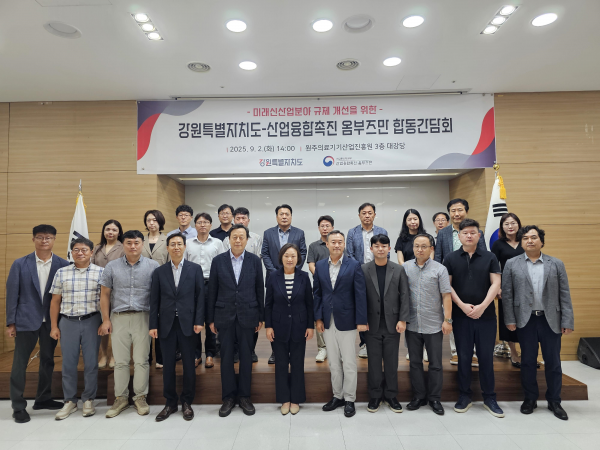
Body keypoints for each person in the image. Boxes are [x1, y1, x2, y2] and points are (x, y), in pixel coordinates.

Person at [502, 225, 574, 421]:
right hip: (525, 320)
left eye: (534, 237)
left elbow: (564, 294)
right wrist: (510, 319)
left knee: (553, 362)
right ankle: (530, 399)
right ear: (521, 242)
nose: (530, 241)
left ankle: (554, 401)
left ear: (541, 241)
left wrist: (567, 320)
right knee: (527, 362)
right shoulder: (512, 264)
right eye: (525, 238)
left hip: (551, 320)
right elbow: (507, 295)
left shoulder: (556, 263)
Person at [5, 224, 69, 423]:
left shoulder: (63, 264)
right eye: (40, 237)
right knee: (20, 363)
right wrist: (11, 323)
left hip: (51, 322)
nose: (44, 241)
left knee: (48, 360)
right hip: (25, 320)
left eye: (48, 237)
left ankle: (43, 398)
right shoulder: (20, 264)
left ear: (54, 240)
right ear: (33, 239)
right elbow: (12, 294)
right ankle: (18, 406)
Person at [443, 219, 504, 418]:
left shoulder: (490, 257)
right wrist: (462, 305)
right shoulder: (450, 258)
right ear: (459, 236)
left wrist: (482, 306)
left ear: (479, 235)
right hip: (461, 317)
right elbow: (447, 286)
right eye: (465, 233)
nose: (469, 236)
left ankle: (490, 397)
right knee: (464, 357)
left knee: (486, 357)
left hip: (486, 316)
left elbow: (496, 283)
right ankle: (464, 396)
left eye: (473, 232)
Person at [99, 230, 160, 418]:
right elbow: (105, 294)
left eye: (136, 242)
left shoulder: (153, 266)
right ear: (123, 244)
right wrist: (106, 319)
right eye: (129, 243)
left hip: (143, 317)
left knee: (141, 360)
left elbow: (157, 295)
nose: (133, 246)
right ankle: (121, 398)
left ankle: (140, 397)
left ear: (142, 244)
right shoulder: (112, 266)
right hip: (119, 318)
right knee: (121, 362)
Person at [207, 224, 265, 417]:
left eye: (241, 237)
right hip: (224, 315)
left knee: (247, 357)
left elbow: (259, 289)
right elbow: (212, 291)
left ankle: (245, 396)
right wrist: (211, 319)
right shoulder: (218, 261)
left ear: (247, 240)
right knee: (226, 358)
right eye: (234, 237)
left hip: (248, 315)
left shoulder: (255, 261)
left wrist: (260, 316)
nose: (238, 240)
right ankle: (228, 397)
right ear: (229, 240)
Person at [150, 233, 205, 422]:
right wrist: (153, 324)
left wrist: (199, 321)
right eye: (172, 244)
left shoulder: (195, 269)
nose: (176, 247)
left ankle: (187, 402)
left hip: (188, 324)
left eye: (179, 244)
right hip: (166, 324)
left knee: (189, 364)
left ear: (184, 247)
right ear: (167, 248)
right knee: (168, 366)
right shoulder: (159, 271)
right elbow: (154, 300)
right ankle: (170, 402)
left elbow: (200, 297)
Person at [313, 230, 368, 418]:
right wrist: (318, 318)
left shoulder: (354, 265)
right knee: (334, 362)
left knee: (349, 362)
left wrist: (361, 321)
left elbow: (360, 294)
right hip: (327, 320)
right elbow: (317, 294)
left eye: (340, 242)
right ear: (327, 244)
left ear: (344, 244)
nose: (337, 245)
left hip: (348, 319)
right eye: (333, 242)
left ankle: (350, 399)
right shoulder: (320, 265)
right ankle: (338, 396)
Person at [49, 237, 103, 420]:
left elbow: (106, 299)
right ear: (71, 252)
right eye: (76, 250)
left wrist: (105, 321)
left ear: (91, 252)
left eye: (84, 250)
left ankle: (89, 399)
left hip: (92, 320)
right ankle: (69, 401)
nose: (80, 253)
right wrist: (54, 326)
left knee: (91, 362)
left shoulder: (101, 272)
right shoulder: (61, 272)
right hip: (68, 322)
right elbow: (55, 301)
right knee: (68, 363)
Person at [404, 234, 453, 416]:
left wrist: (447, 320)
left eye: (424, 246)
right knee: (415, 363)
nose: (420, 249)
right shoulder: (405, 268)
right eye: (417, 246)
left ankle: (434, 398)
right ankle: (418, 396)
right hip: (412, 324)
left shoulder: (440, 269)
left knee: (435, 363)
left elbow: (446, 296)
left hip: (434, 324)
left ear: (431, 249)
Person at [434, 198, 485, 366]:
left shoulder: (478, 232)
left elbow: (483, 255)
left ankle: (474, 352)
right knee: (452, 314)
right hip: (449, 279)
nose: (456, 213)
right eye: (453, 211)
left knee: (473, 313)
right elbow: (439, 257)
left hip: (473, 280)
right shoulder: (443, 233)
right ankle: (455, 351)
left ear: (466, 211)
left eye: (460, 210)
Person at [362, 235, 409, 414]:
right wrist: (362, 320)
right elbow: (360, 296)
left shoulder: (398, 269)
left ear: (389, 249)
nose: (380, 249)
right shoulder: (364, 269)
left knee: (391, 362)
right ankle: (375, 396)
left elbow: (405, 295)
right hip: (371, 323)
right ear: (371, 249)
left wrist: (403, 319)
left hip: (392, 323)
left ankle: (391, 395)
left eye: (384, 246)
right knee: (373, 362)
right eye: (376, 246)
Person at [265, 243, 314, 415]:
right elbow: (268, 304)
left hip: (300, 327)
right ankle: (284, 399)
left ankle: (296, 399)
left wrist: (310, 326)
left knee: (297, 363)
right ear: (281, 257)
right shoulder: (273, 276)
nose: (290, 259)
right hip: (278, 327)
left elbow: (309, 303)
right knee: (281, 364)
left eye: (293, 256)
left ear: (298, 258)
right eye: (286, 256)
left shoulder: (304, 276)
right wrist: (268, 326)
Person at [261, 204, 307, 364]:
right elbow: (265, 254)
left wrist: (293, 269)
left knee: (293, 311)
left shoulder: (299, 233)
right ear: (277, 217)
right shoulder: (268, 233)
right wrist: (276, 273)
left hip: (294, 277)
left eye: (287, 214)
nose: (284, 216)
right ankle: (276, 351)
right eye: (281, 214)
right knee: (276, 312)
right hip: (273, 279)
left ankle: (293, 349)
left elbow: (302, 252)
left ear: (291, 216)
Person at [346, 202, 388, 359]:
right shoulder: (352, 232)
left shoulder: (382, 231)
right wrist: (360, 270)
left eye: (370, 213)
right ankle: (364, 343)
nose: (367, 216)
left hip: (379, 273)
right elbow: (349, 254)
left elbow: (386, 252)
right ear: (359, 215)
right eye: (364, 213)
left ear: (375, 215)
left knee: (379, 307)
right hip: (359, 274)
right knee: (362, 307)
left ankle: (379, 341)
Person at [184, 212, 225, 368]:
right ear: (195, 225)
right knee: (194, 319)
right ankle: (196, 354)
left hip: (211, 284)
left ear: (210, 225)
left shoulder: (217, 243)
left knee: (210, 320)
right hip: (191, 285)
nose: (203, 225)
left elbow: (222, 265)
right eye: (200, 222)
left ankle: (209, 354)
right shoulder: (187, 243)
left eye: (206, 222)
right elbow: (184, 265)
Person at [223, 207, 263, 362]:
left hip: (248, 279)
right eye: (238, 218)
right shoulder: (226, 240)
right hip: (230, 284)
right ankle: (234, 351)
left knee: (250, 324)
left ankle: (250, 351)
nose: (238, 240)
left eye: (243, 218)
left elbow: (258, 260)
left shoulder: (256, 238)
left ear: (248, 220)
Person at [491, 213, 525, 367]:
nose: (510, 226)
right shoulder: (498, 244)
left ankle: (528, 352)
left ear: (518, 224)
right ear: (502, 227)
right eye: (506, 224)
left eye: (513, 223)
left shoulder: (525, 241)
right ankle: (513, 353)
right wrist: (497, 287)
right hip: (506, 287)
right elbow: (494, 268)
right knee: (509, 318)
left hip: (525, 286)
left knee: (526, 319)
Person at [91, 219, 124, 369]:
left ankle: (114, 355)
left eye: (114, 230)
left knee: (116, 325)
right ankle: (104, 354)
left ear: (119, 232)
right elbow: (91, 267)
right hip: (100, 291)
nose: (110, 232)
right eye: (108, 229)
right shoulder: (97, 248)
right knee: (103, 323)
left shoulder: (123, 247)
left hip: (117, 291)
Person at [142, 210, 170, 369]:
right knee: (145, 321)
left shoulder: (167, 240)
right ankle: (146, 357)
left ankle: (160, 357)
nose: (151, 223)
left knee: (160, 321)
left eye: (154, 220)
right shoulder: (140, 240)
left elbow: (169, 263)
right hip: (143, 285)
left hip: (162, 285)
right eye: (148, 220)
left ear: (160, 222)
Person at [307, 215, 335, 363]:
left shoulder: (337, 243)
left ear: (332, 227)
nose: (325, 228)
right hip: (321, 286)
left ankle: (336, 349)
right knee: (320, 315)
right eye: (322, 226)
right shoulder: (313, 246)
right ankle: (322, 348)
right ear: (319, 228)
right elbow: (311, 264)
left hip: (337, 287)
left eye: (327, 225)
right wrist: (321, 277)